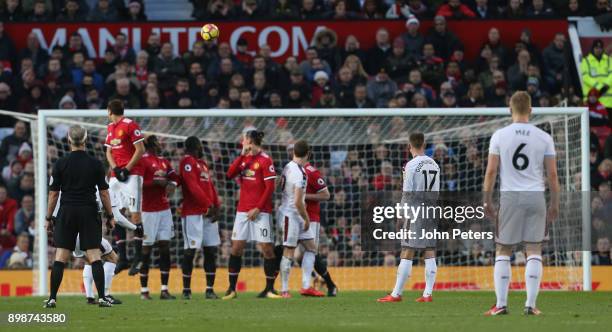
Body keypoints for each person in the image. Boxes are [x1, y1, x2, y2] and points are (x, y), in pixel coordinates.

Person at [483, 91, 559, 316]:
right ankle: (530, 305)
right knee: (534, 248)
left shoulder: (499, 135)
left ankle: (501, 304)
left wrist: (486, 199)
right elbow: (553, 175)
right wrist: (554, 203)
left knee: (503, 249)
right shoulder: (544, 137)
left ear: (510, 109)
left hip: (510, 197)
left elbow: (491, 171)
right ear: (531, 110)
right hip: (536, 196)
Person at [44, 125, 116, 308]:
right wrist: (110, 215)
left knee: (61, 255)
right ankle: (101, 298)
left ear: (69, 139)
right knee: (94, 254)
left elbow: (53, 194)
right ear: (84, 140)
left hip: (67, 211)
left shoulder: (60, 163)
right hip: (88, 211)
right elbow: (104, 193)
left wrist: (48, 217)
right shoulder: (96, 163)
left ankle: (52, 298)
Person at [378, 132, 440, 303]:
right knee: (429, 250)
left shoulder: (410, 165)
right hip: (431, 209)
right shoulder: (434, 164)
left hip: (416, 210)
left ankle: (396, 294)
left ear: (409, 146)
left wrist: (401, 215)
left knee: (407, 250)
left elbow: (407, 193)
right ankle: (427, 294)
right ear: (424, 144)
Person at [224, 130, 279, 299]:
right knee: (236, 248)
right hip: (242, 212)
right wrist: (241, 156)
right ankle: (232, 289)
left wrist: (258, 208)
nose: (242, 142)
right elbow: (229, 174)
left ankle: (269, 289)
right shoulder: (244, 159)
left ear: (250, 141)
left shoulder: (265, 160)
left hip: (261, 212)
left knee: (267, 249)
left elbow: (270, 188)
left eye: (245, 140)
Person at [277, 140, 323, 298]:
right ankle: (284, 289)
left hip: (290, 213)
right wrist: (306, 218)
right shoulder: (300, 173)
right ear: (308, 153)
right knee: (289, 250)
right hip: (292, 215)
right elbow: (297, 201)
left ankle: (306, 286)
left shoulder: (288, 166)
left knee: (312, 247)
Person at [104, 99, 145, 275]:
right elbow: (108, 152)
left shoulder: (130, 124)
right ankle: (123, 258)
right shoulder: (110, 128)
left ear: (109, 110)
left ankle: (138, 257)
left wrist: (127, 169)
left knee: (134, 214)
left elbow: (140, 149)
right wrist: (115, 169)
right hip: (116, 175)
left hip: (132, 175)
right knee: (115, 213)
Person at [179, 136, 222, 300]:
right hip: (193, 214)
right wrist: (207, 205)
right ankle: (186, 290)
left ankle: (210, 289)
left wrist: (216, 205)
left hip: (209, 214)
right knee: (190, 251)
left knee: (211, 250)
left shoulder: (203, 164)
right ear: (196, 146)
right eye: (201, 146)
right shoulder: (187, 161)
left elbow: (210, 186)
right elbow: (192, 186)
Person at [139, 135, 178, 300]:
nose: (161, 143)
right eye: (158, 141)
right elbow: (138, 183)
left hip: (164, 210)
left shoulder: (163, 161)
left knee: (165, 247)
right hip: (148, 211)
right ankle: (144, 290)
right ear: (151, 144)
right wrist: (154, 183)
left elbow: (175, 177)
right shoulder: (143, 161)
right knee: (146, 249)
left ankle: (164, 289)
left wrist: (171, 185)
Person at [302, 147, 337, 296]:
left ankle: (326, 284)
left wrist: (304, 196)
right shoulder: (291, 170)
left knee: (307, 252)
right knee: (296, 254)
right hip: (295, 217)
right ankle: (321, 282)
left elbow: (326, 195)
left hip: (311, 218)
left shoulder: (312, 172)